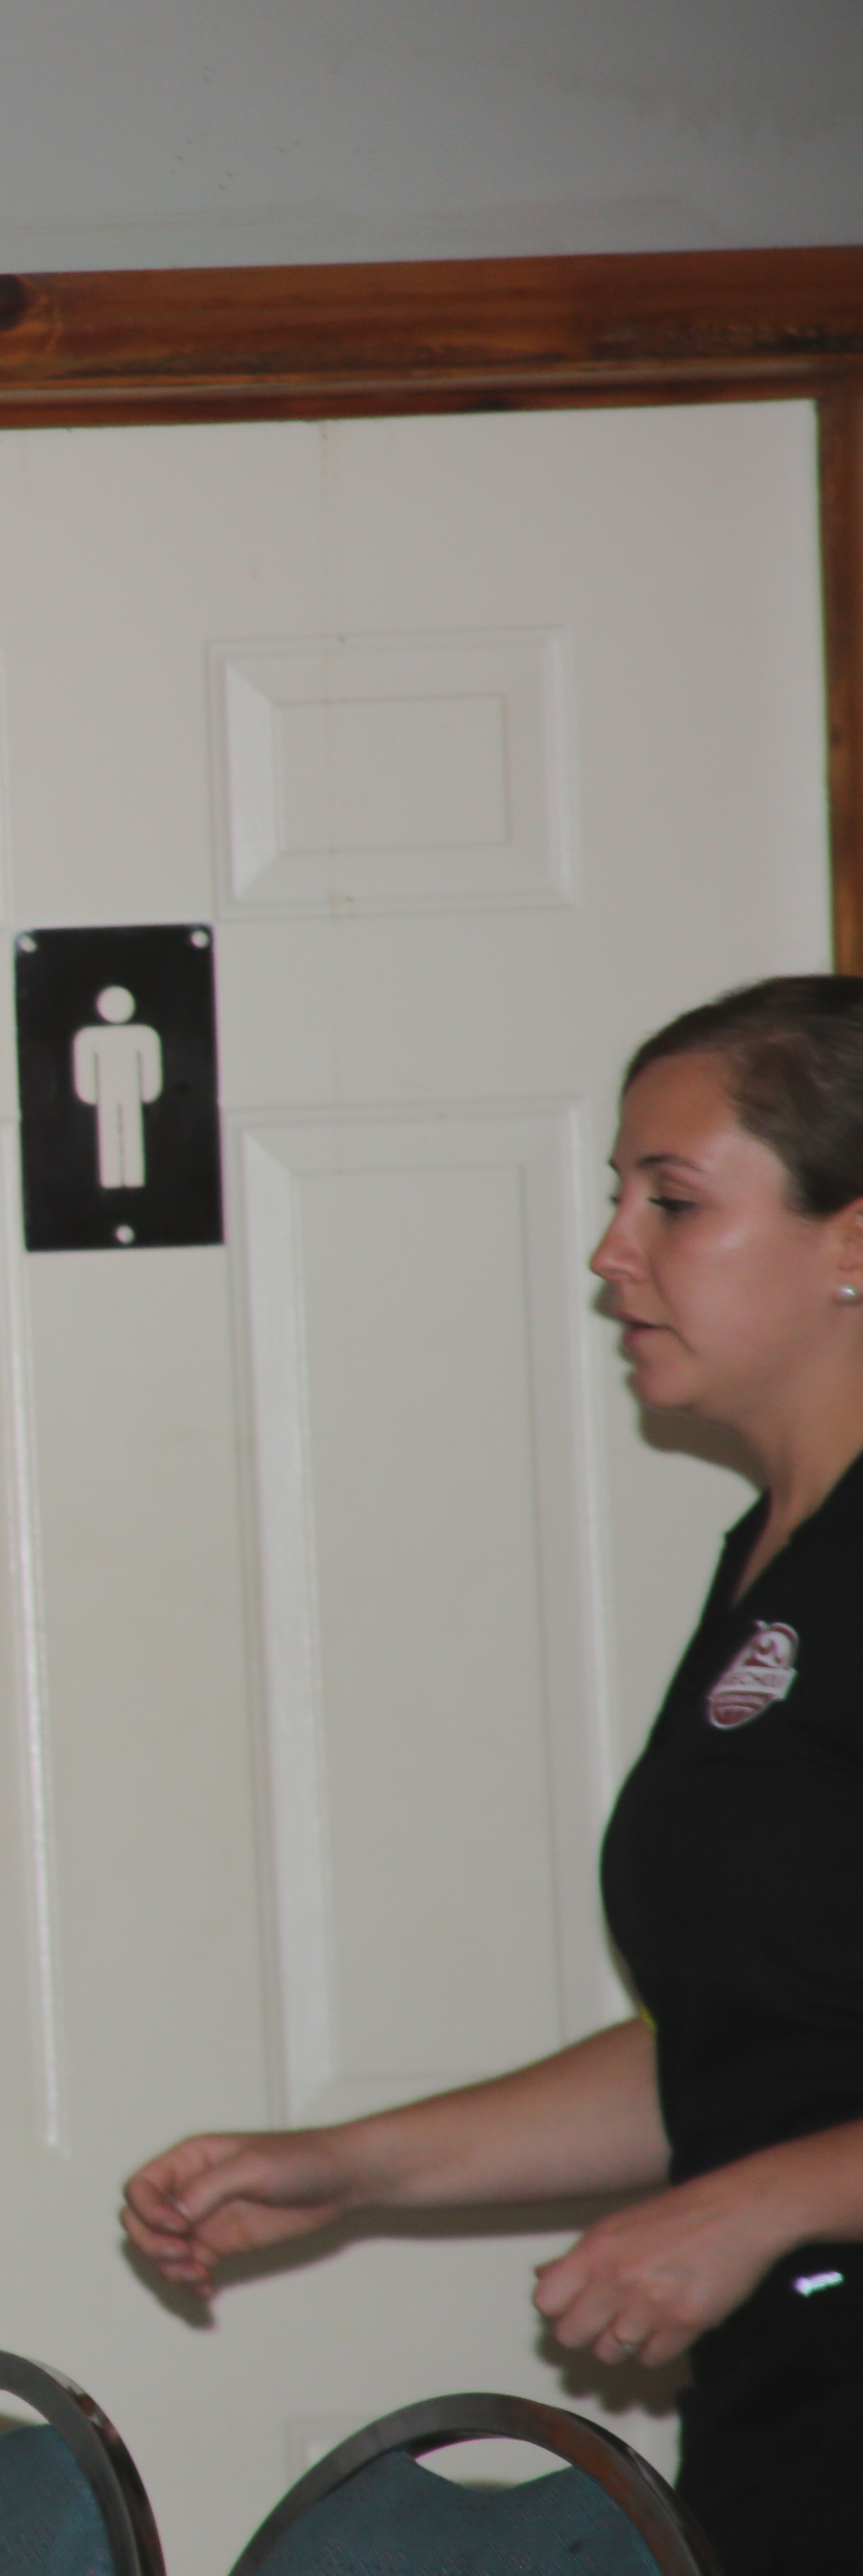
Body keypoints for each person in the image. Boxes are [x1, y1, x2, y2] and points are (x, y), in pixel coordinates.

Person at [120, 975, 863, 2574]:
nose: (612, 1251)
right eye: (618, 1197)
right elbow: (751, 2044)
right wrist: (354, 2167)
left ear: (852, 1240)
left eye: (673, 1201)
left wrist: (766, 2203)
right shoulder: (776, 1559)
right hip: (792, 2435)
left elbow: (779, 2137)